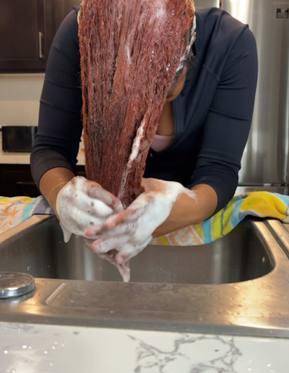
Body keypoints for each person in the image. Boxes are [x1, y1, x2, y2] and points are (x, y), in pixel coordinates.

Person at [31, 0, 258, 268]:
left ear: (187, 57)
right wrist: (63, 196)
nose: (144, 112)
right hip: (102, 229)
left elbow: (219, 169)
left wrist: (187, 204)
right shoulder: (79, 33)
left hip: (188, 238)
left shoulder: (231, 45)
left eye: (159, 92)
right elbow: (50, 149)